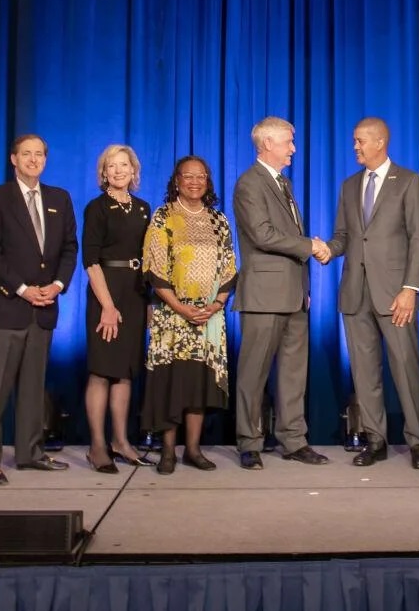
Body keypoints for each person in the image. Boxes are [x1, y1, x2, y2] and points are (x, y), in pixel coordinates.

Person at [322, 118, 419, 469]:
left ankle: (417, 443)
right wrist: (327, 249)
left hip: (395, 294)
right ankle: (376, 440)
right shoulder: (349, 185)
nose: (354, 146)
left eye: (360, 140)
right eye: (354, 140)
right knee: (364, 372)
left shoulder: (409, 182)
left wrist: (410, 289)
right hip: (356, 293)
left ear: (380, 142)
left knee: (405, 368)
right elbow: (344, 235)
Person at [0, 133, 78, 486]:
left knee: (34, 388)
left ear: (45, 160)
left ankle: (30, 453)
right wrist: (22, 289)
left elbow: (69, 248)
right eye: (26, 154)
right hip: (6, 308)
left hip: (44, 309)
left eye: (39, 154)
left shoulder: (59, 199)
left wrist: (57, 286)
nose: (33, 160)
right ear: (13, 159)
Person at [231, 116, 331, 469]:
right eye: (288, 142)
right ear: (267, 144)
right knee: (253, 372)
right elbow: (263, 235)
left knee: (293, 373)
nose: (293, 149)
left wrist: (304, 285)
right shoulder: (249, 184)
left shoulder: (282, 182)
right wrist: (311, 245)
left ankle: (293, 439)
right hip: (262, 295)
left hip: (293, 295)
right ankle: (249, 441)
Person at [141, 156, 238, 474]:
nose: (195, 181)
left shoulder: (218, 220)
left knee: (198, 384)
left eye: (201, 176)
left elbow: (229, 266)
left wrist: (218, 303)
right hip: (172, 316)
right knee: (173, 383)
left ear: (208, 182)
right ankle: (168, 450)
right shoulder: (164, 217)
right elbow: (155, 268)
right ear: (177, 180)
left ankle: (193, 450)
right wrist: (181, 307)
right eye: (188, 176)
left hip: (208, 316)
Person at [79, 144, 153, 474]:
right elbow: (90, 261)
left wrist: (149, 302)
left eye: (124, 165)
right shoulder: (97, 208)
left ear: (134, 171)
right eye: (112, 165)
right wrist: (107, 306)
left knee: (125, 371)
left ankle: (121, 441)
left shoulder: (143, 208)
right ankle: (97, 446)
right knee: (102, 370)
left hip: (136, 292)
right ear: (104, 173)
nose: (119, 170)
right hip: (105, 288)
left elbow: (151, 259)